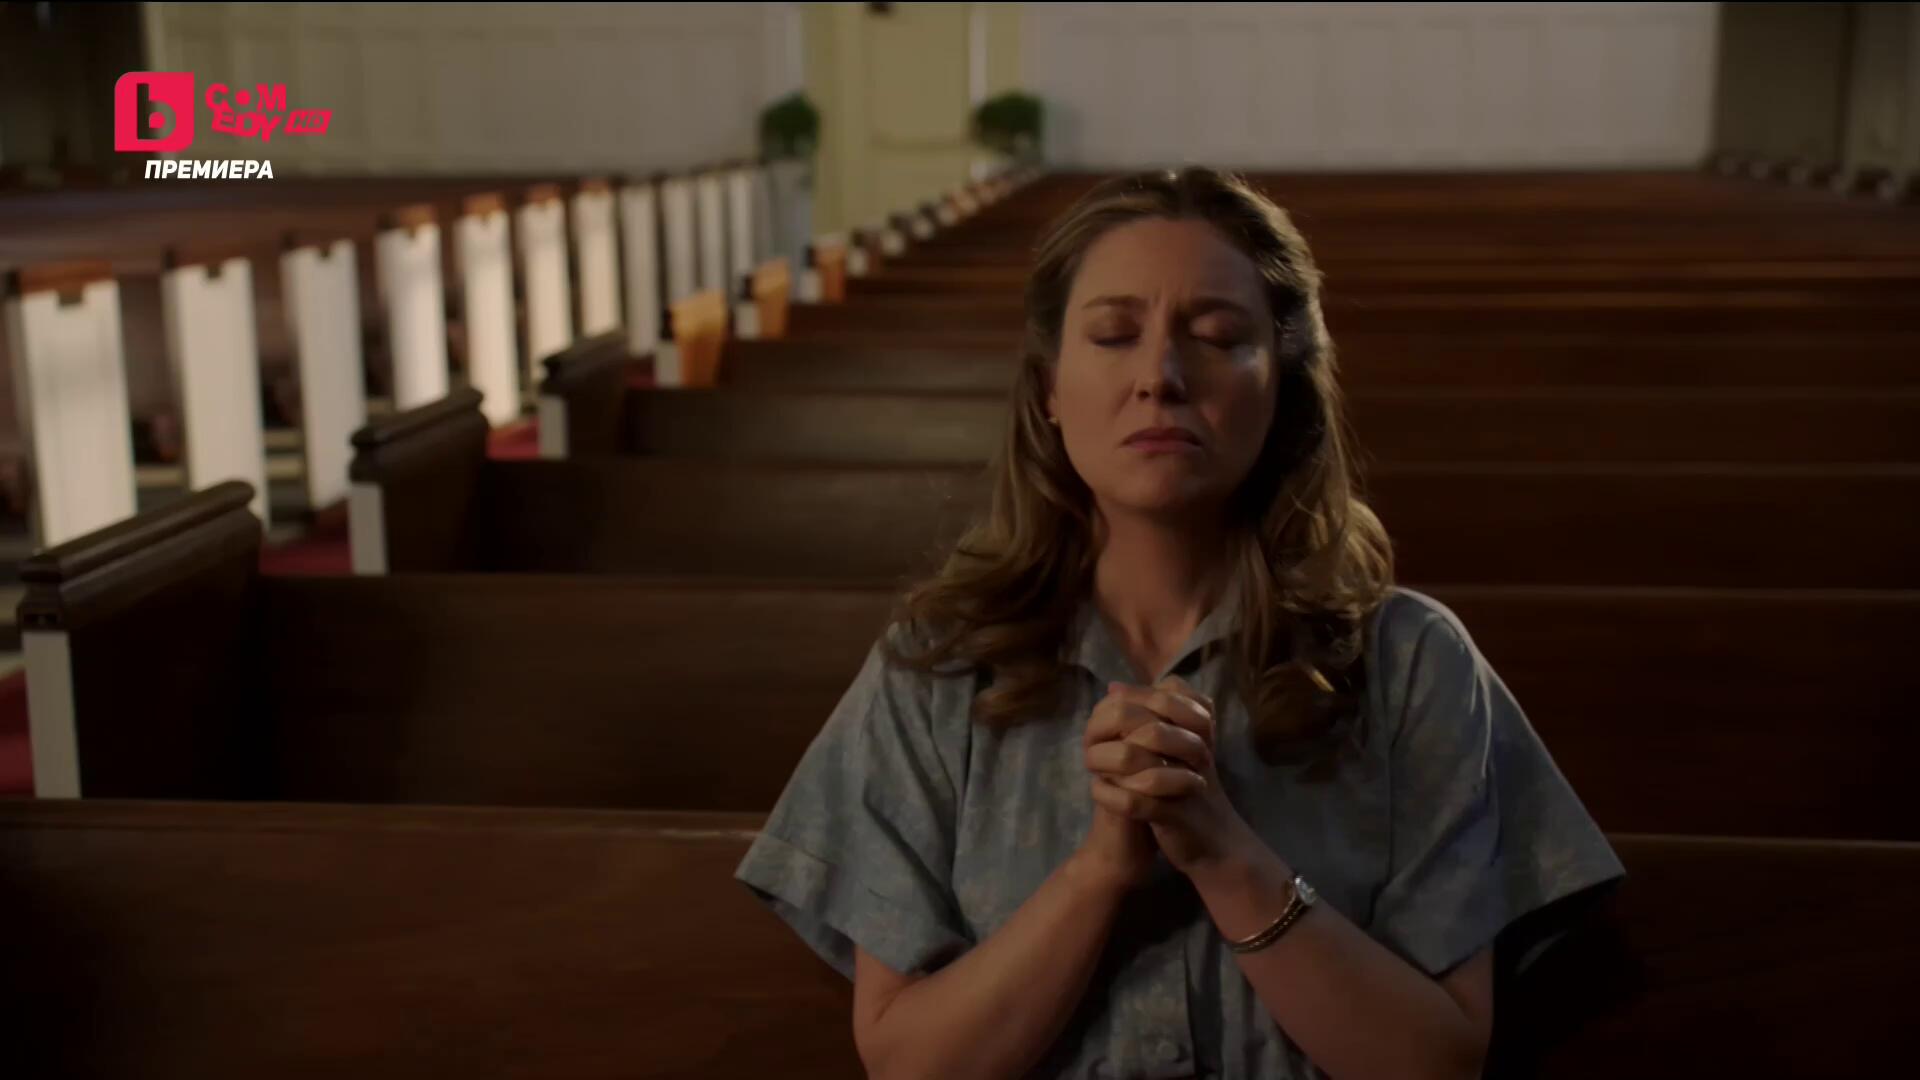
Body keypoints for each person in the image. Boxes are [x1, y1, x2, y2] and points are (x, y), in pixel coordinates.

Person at [735, 167, 1623, 1079]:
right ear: (1049, 387)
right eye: (1114, 336)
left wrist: (1223, 853)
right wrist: (1099, 872)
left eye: (1219, 338)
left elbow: (1435, 1064)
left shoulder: (1412, 664)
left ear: (1283, 385)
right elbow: (909, 1066)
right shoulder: (939, 667)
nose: (1159, 378)